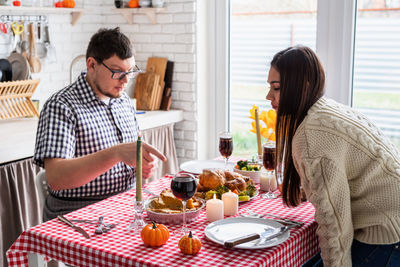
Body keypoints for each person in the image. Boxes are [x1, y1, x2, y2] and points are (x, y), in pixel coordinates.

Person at [266, 45, 400, 266]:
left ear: (303, 87)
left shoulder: (311, 136)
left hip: (386, 234)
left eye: (277, 87)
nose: (268, 95)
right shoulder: (326, 110)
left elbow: (334, 225)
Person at [34, 27, 166, 221]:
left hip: (123, 206)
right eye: (117, 71)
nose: (125, 80)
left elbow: (131, 156)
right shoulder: (61, 106)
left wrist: (142, 165)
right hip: (77, 215)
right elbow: (56, 179)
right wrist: (116, 153)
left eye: (130, 72)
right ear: (92, 64)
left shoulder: (122, 101)